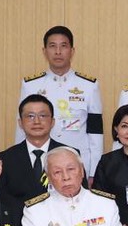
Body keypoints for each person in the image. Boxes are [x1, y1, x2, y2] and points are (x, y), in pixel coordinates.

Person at [18, 25, 103, 175]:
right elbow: (22, 128)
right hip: (39, 163)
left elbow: (95, 133)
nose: (58, 52)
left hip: (77, 163)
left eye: (63, 46)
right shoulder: (30, 85)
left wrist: (94, 172)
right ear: (44, 51)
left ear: (72, 51)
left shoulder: (89, 86)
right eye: (52, 46)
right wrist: (21, 165)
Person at [0, 94, 66, 202]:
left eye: (42, 116)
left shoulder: (69, 155)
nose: (37, 121)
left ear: (52, 122)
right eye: (30, 116)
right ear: (20, 123)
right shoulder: (6, 159)